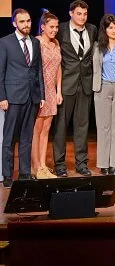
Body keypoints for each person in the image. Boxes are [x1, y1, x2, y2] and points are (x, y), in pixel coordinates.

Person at [0, 9, 45, 188]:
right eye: (22, 22)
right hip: (12, 97)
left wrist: (41, 95)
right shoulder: (5, 43)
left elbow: (38, 70)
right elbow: (0, 72)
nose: (26, 25)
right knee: (10, 138)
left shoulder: (35, 42)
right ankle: (8, 175)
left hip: (32, 97)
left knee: (27, 137)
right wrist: (2, 97)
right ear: (14, 23)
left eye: (28, 21)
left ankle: (25, 173)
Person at [54, 0, 97, 177]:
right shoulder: (61, 29)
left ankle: (81, 164)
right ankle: (60, 165)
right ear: (71, 13)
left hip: (85, 84)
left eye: (85, 14)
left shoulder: (92, 30)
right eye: (79, 14)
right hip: (66, 85)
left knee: (82, 126)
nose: (82, 17)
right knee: (61, 127)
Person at [92, 14, 115, 175]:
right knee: (103, 127)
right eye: (110, 27)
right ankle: (103, 163)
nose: (113, 30)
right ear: (104, 29)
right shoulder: (97, 47)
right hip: (103, 88)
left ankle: (114, 163)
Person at [31, 11, 61, 179]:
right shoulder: (36, 42)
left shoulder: (56, 43)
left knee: (46, 129)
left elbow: (59, 68)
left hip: (51, 91)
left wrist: (59, 90)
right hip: (39, 91)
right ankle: (35, 167)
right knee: (37, 129)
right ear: (43, 27)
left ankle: (43, 165)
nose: (55, 30)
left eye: (56, 27)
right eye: (51, 27)